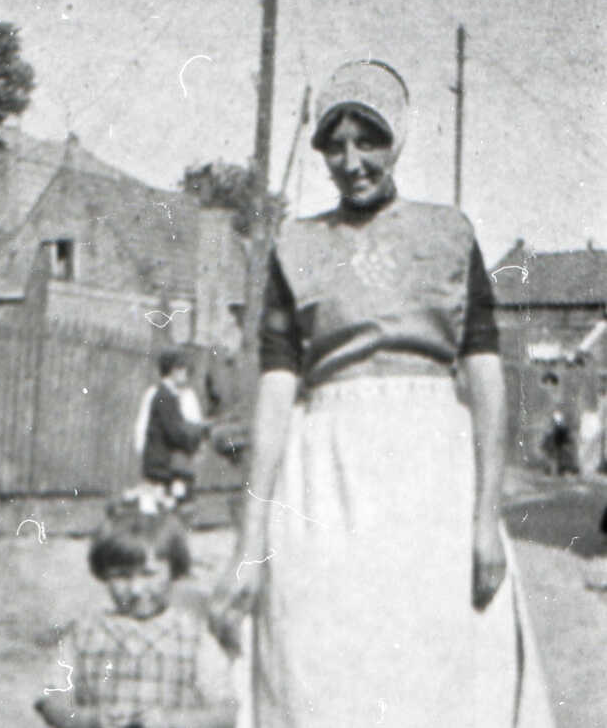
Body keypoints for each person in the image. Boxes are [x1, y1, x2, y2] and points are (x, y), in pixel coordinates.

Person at [210, 60, 555, 727]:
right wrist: (251, 543)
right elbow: (278, 388)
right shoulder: (298, 244)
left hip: (431, 470)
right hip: (324, 474)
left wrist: (485, 520)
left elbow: (484, 374)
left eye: (367, 140)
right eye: (334, 145)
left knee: (439, 661)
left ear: (396, 140)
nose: (351, 160)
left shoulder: (448, 235)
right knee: (322, 660)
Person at [34, 507, 236, 728]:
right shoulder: (83, 633)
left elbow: (225, 712)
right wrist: (90, 719)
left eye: (149, 574)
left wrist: (172, 722)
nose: (136, 589)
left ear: (173, 570)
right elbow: (51, 701)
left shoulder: (194, 636)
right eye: (121, 576)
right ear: (103, 574)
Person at [139, 348, 210, 505]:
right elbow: (176, 432)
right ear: (173, 370)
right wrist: (198, 434)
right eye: (182, 368)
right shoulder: (166, 396)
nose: (185, 372)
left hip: (162, 464)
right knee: (170, 508)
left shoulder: (166, 394)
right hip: (162, 466)